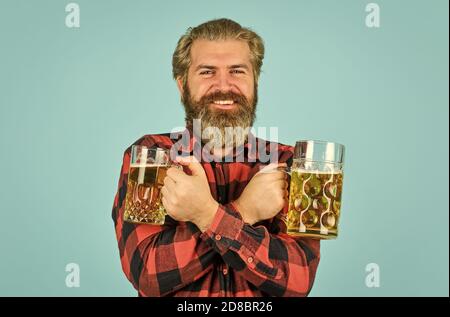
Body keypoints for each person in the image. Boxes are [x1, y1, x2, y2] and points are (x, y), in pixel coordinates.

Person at [112, 18, 320, 297]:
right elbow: (148, 273)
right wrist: (243, 211)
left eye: (237, 71)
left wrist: (206, 216)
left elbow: (297, 279)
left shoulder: (291, 162)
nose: (224, 85)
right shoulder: (151, 156)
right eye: (207, 72)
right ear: (182, 85)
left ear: (255, 81)